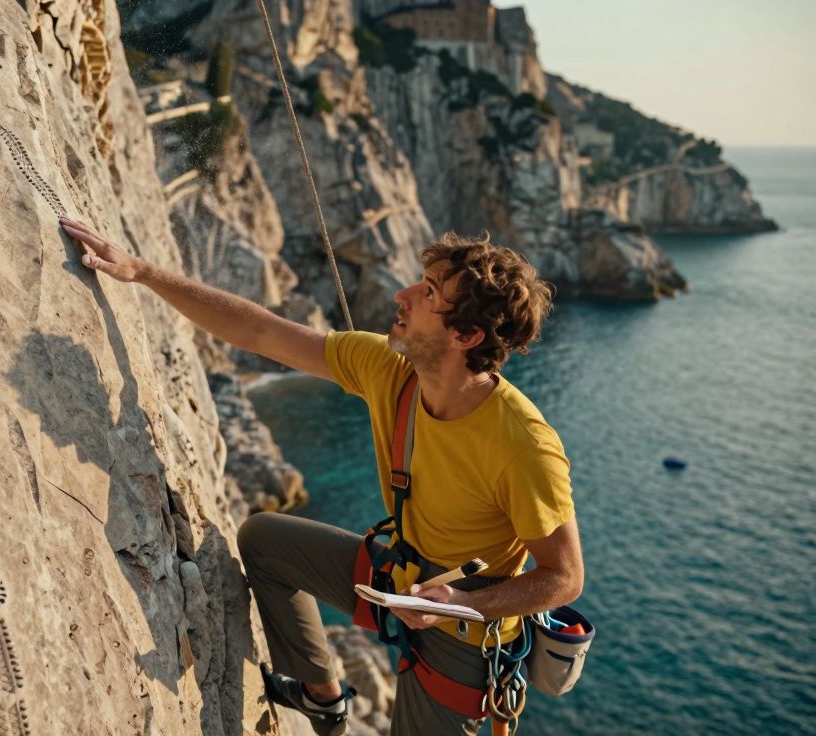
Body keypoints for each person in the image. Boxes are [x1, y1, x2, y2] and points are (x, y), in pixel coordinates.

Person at [60, 215, 584, 736]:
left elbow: (564, 577)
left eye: (426, 293)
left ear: (466, 334)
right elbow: (261, 331)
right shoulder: (390, 370)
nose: (402, 296)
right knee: (265, 540)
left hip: (462, 636)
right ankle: (323, 699)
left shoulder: (523, 446)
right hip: (398, 581)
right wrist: (144, 272)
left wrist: (468, 604)